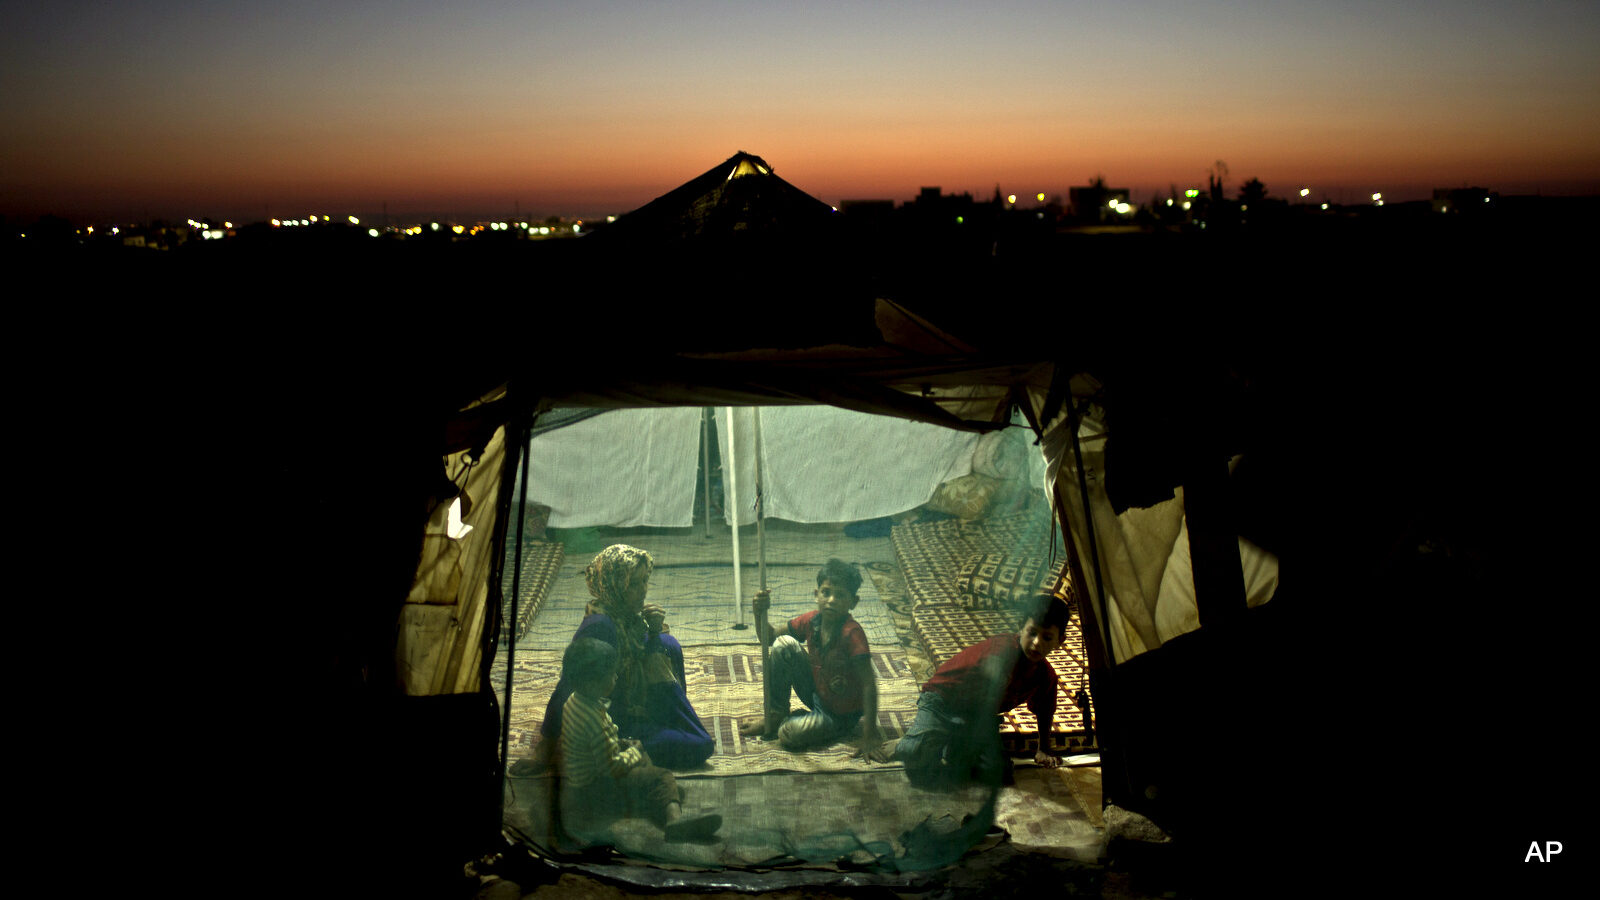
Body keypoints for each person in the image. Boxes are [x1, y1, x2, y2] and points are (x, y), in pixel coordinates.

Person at [538, 544, 713, 770]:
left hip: (631, 703)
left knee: (667, 644)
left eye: (644, 581)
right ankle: (639, 743)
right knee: (700, 744)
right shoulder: (600, 628)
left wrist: (655, 632)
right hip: (616, 721)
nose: (643, 590)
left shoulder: (625, 616)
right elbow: (568, 685)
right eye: (634, 584)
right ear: (616, 586)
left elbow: (642, 654)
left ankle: (673, 723)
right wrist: (546, 749)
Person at [893, 592, 1070, 789]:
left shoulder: (1045, 675)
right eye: (1032, 633)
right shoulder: (1001, 653)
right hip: (941, 701)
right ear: (1021, 628)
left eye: (1047, 637)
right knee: (918, 763)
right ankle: (912, 742)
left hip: (974, 715)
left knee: (1000, 773)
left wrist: (1043, 749)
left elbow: (1045, 711)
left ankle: (952, 745)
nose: (1037, 643)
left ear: (1060, 640)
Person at [556, 638, 722, 844]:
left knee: (643, 763)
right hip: (597, 788)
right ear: (591, 683)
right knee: (662, 776)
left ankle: (654, 795)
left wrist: (623, 746)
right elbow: (611, 767)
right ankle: (674, 821)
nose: (615, 677)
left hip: (581, 784)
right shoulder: (594, 720)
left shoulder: (574, 701)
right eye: (610, 675)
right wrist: (633, 752)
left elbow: (592, 747)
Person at [740, 558, 889, 761]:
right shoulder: (812, 620)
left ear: (853, 602)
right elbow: (770, 637)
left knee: (788, 733)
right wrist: (759, 613)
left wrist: (869, 734)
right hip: (817, 693)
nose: (831, 600)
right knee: (783, 644)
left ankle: (813, 725)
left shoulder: (852, 634)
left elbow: (869, 685)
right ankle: (775, 714)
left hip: (838, 715)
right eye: (826, 592)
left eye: (841, 595)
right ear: (816, 594)